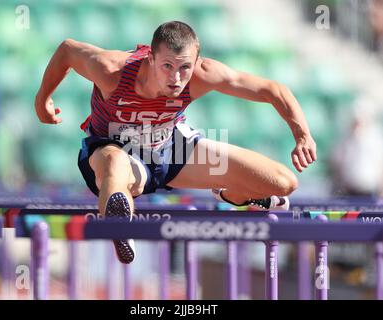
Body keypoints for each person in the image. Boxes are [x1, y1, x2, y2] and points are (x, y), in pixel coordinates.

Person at [35, 21, 317, 264]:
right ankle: (121, 226)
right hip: (113, 148)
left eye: (184, 68)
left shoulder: (203, 74)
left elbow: (273, 90)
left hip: (172, 147)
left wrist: (302, 134)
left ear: (195, 64)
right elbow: (67, 50)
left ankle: (231, 193)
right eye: (167, 66)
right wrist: (42, 99)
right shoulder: (111, 70)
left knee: (284, 183)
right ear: (150, 59)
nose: (176, 77)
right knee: (114, 164)